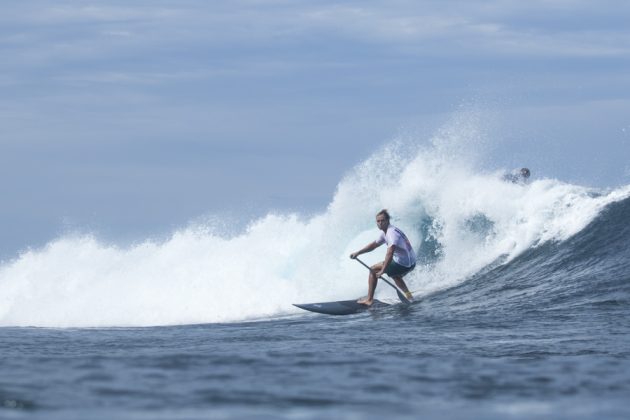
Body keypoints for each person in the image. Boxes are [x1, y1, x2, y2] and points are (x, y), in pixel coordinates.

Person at [349, 209, 416, 305]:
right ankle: (409, 295)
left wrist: (382, 271)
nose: (380, 223)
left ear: (388, 221)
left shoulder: (391, 234)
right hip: (411, 263)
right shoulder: (388, 231)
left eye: (382, 220)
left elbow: (390, 253)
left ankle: (369, 299)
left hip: (403, 264)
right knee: (394, 274)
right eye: (378, 221)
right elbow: (373, 245)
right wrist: (358, 252)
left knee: (373, 269)